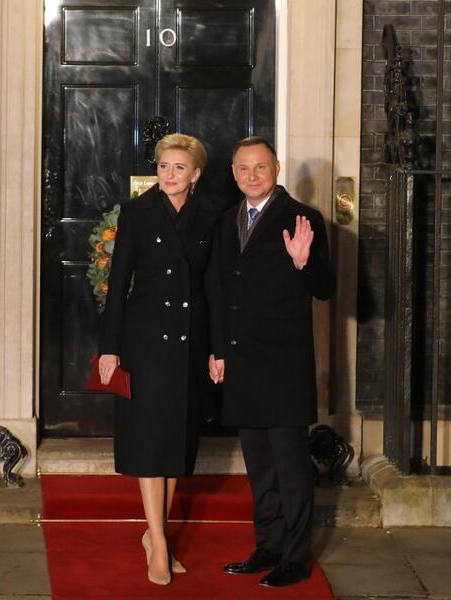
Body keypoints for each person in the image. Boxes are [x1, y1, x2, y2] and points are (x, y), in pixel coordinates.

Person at [207, 136, 335, 588]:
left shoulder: (304, 218)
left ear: (276, 168)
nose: (251, 176)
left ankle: (296, 557)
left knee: (290, 466)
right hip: (241, 361)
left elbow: (325, 288)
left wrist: (303, 263)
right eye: (243, 169)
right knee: (259, 465)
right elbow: (219, 292)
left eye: (260, 167)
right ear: (234, 173)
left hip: (283, 365)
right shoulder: (226, 222)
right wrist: (218, 350)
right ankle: (269, 545)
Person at [97, 133, 220, 586]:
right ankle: (160, 541)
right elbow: (119, 281)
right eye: (163, 166)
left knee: (175, 442)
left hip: (189, 342)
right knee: (149, 441)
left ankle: (156, 535)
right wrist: (109, 347)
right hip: (144, 342)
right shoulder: (137, 212)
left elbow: (214, 288)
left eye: (178, 168)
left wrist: (217, 349)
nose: (169, 175)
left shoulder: (211, 216)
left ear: (196, 174)